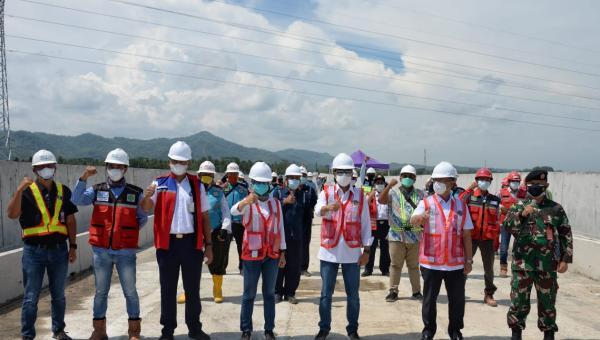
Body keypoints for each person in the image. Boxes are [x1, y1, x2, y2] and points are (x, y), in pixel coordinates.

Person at [71, 148, 147, 340]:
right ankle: (99, 331)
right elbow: (76, 199)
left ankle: (134, 332)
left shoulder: (134, 193)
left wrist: (127, 230)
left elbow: (142, 218)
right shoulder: (96, 190)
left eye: (119, 166)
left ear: (125, 168)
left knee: (130, 292)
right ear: (107, 168)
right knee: (100, 292)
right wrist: (84, 177)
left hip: (126, 253)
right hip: (101, 252)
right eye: (111, 166)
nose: (115, 169)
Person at [140, 141, 213, 340]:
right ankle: (168, 330)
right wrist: (147, 197)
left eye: (182, 161)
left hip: (191, 244)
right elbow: (146, 208)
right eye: (175, 161)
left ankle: (194, 328)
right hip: (167, 245)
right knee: (168, 289)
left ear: (188, 162)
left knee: (192, 289)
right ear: (169, 161)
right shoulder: (159, 183)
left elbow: (205, 216)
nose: (178, 164)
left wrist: (209, 246)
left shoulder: (197, 185)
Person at [7, 149, 78, 340]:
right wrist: (19, 190)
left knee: (59, 296)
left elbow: (70, 221)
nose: (46, 169)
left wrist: (73, 246)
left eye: (49, 166)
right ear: (35, 169)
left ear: (55, 167)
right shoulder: (27, 192)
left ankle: (59, 330)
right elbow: (12, 214)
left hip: (59, 251)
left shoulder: (63, 191)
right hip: (33, 252)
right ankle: (27, 335)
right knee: (30, 298)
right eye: (41, 167)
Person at [504, 170, 573, 340]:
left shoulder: (555, 208)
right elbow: (507, 226)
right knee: (519, 301)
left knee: (547, 301)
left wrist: (565, 259)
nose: (535, 188)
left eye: (539, 185)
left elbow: (566, 234)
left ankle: (548, 333)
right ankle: (516, 332)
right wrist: (522, 214)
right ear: (526, 186)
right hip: (522, 265)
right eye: (531, 185)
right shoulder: (518, 206)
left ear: (546, 186)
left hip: (547, 265)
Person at [410, 161, 474, 340]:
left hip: (455, 264)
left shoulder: (461, 206)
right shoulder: (427, 202)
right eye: (435, 180)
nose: (437, 183)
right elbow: (413, 219)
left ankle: (455, 330)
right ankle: (429, 330)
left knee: (457, 301)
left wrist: (468, 261)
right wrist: (419, 218)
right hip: (431, 262)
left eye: (442, 180)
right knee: (429, 300)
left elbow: (467, 235)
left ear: (452, 182)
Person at [314, 153, 372, 340]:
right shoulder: (326, 192)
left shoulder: (360, 196)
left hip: (352, 253)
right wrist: (327, 209)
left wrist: (367, 251)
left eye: (347, 172)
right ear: (334, 173)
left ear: (352, 174)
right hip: (329, 252)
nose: (344, 175)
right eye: (340, 172)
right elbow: (317, 211)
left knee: (353, 295)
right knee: (325, 294)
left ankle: (352, 329)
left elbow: (365, 225)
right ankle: (324, 328)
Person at [231, 162, 286, 340]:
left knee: (269, 294)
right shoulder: (248, 202)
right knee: (249, 294)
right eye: (258, 182)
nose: (261, 186)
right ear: (252, 183)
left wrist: (283, 253)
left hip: (271, 255)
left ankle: (269, 329)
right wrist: (245, 202)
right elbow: (233, 212)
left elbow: (281, 229)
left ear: (269, 184)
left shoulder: (276, 204)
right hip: (251, 255)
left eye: (265, 183)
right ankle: (246, 329)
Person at [185, 161, 232, 304]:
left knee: (217, 261)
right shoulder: (190, 190)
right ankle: (188, 292)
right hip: (194, 231)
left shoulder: (218, 192)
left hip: (215, 230)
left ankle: (217, 289)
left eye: (209, 175)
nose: (206, 177)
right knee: (190, 263)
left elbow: (225, 211)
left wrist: (225, 228)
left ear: (213, 176)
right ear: (198, 175)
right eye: (203, 175)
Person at [379, 165, 424, 301]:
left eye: (410, 176)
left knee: (414, 266)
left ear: (415, 178)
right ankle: (393, 291)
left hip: (415, 236)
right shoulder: (393, 193)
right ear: (400, 177)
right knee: (395, 265)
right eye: (405, 176)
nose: (407, 178)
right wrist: (389, 186)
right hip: (396, 236)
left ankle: (416, 291)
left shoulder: (421, 194)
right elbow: (381, 200)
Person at [460, 168, 501, 307]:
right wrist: (469, 189)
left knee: (489, 268)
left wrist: (496, 241)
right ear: (476, 181)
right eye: (481, 179)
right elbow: (458, 203)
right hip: (471, 238)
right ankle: (459, 292)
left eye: (487, 180)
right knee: (465, 265)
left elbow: (497, 220)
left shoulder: (495, 200)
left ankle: (489, 294)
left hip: (488, 238)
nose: (484, 182)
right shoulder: (469, 197)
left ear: (490, 182)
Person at [273, 164, 305, 304]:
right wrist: (284, 202)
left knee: (294, 266)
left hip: (296, 236)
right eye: (292, 178)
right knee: (279, 266)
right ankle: (277, 292)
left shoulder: (303, 194)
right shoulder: (278, 193)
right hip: (281, 236)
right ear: (286, 179)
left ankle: (290, 293)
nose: (294, 180)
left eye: (297, 178)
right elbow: (271, 208)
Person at [497, 171, 526, 277]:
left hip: (519, 224)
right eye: (513, 181)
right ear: (509, 182)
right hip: (505, 224)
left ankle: (518, 267)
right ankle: (503, 268)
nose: (515, 183)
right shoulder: (501, 192)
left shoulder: (523, 193)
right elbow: (497, 206)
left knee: (520, 246)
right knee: (504, 248)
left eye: (517, 181)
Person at [223, 163, 249, 273]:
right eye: (230, 174)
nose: (232, 176)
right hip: (226, 222)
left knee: (241, 246)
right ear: (227, 175)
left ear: (238, 175)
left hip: (239, 223)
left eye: (235, 174)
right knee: (224, 247)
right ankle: (222, 267)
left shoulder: (243, 189)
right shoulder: (222, 188)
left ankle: (242, 267)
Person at [362, 174, 390, 277]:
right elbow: (364, 205)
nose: (379, 185)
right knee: (371, 247)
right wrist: (371, 195)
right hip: (373, 224)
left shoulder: (388, 194)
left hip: (385, 224)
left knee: (385, 248)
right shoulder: (369, 194)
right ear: (374, 184)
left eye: (381, 183)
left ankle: (385, 269)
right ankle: (368, 269)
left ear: (384, 184)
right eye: (377, 183)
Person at [300, 165, 318, 277]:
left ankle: (304, 268)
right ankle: (294, 268)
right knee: (294, 245)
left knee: (305, 244)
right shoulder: (292, 190)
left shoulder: (310, 189)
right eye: (300, 175)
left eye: (304, 175)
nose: (302, 177)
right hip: (295, 220)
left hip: (306, 219)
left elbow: (314, 201)